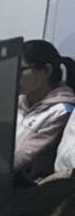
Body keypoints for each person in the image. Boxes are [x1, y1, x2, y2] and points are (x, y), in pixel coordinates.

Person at [14, 40, 75, 181]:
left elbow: (27, 154)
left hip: (19, 176)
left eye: (21, 70)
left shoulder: (61, 110)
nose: (14, 75)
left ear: (46, 71)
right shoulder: (20, 97)